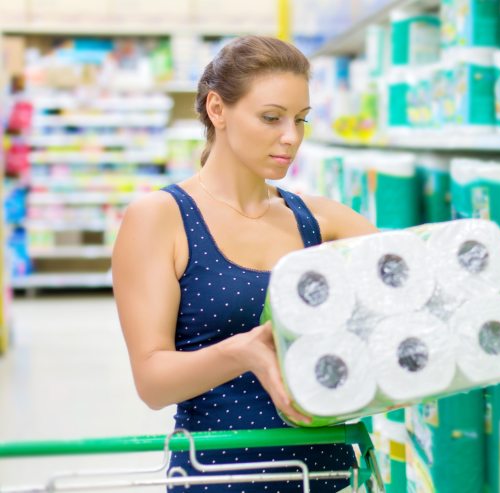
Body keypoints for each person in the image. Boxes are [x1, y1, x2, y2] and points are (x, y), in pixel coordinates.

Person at [112, 35, 377, 492]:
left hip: (330, 475)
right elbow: (153, 383)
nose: (291, 137)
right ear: (218, 109)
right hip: (221, 477)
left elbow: (421, 278)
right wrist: (241, 352)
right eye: (271, 118)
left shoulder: (323, 220)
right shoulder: (161, 219)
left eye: (301, 120)